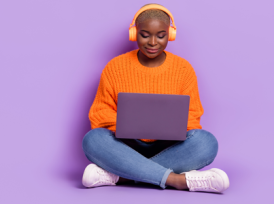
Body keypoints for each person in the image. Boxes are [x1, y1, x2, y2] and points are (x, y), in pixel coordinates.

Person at [81, 3, 230, 193]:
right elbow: (100, 113)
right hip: (125, 147)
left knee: (206, 143)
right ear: (134, 33)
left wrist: (171, 132)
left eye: (161, 36)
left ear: (170, 34)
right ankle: (178, 180)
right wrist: (128, 131)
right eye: (145, 35)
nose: (153, 42)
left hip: (169, 148)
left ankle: (122, 176)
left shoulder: (184, 70)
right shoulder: (115, 67)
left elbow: (193, 116)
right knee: (92, 140)